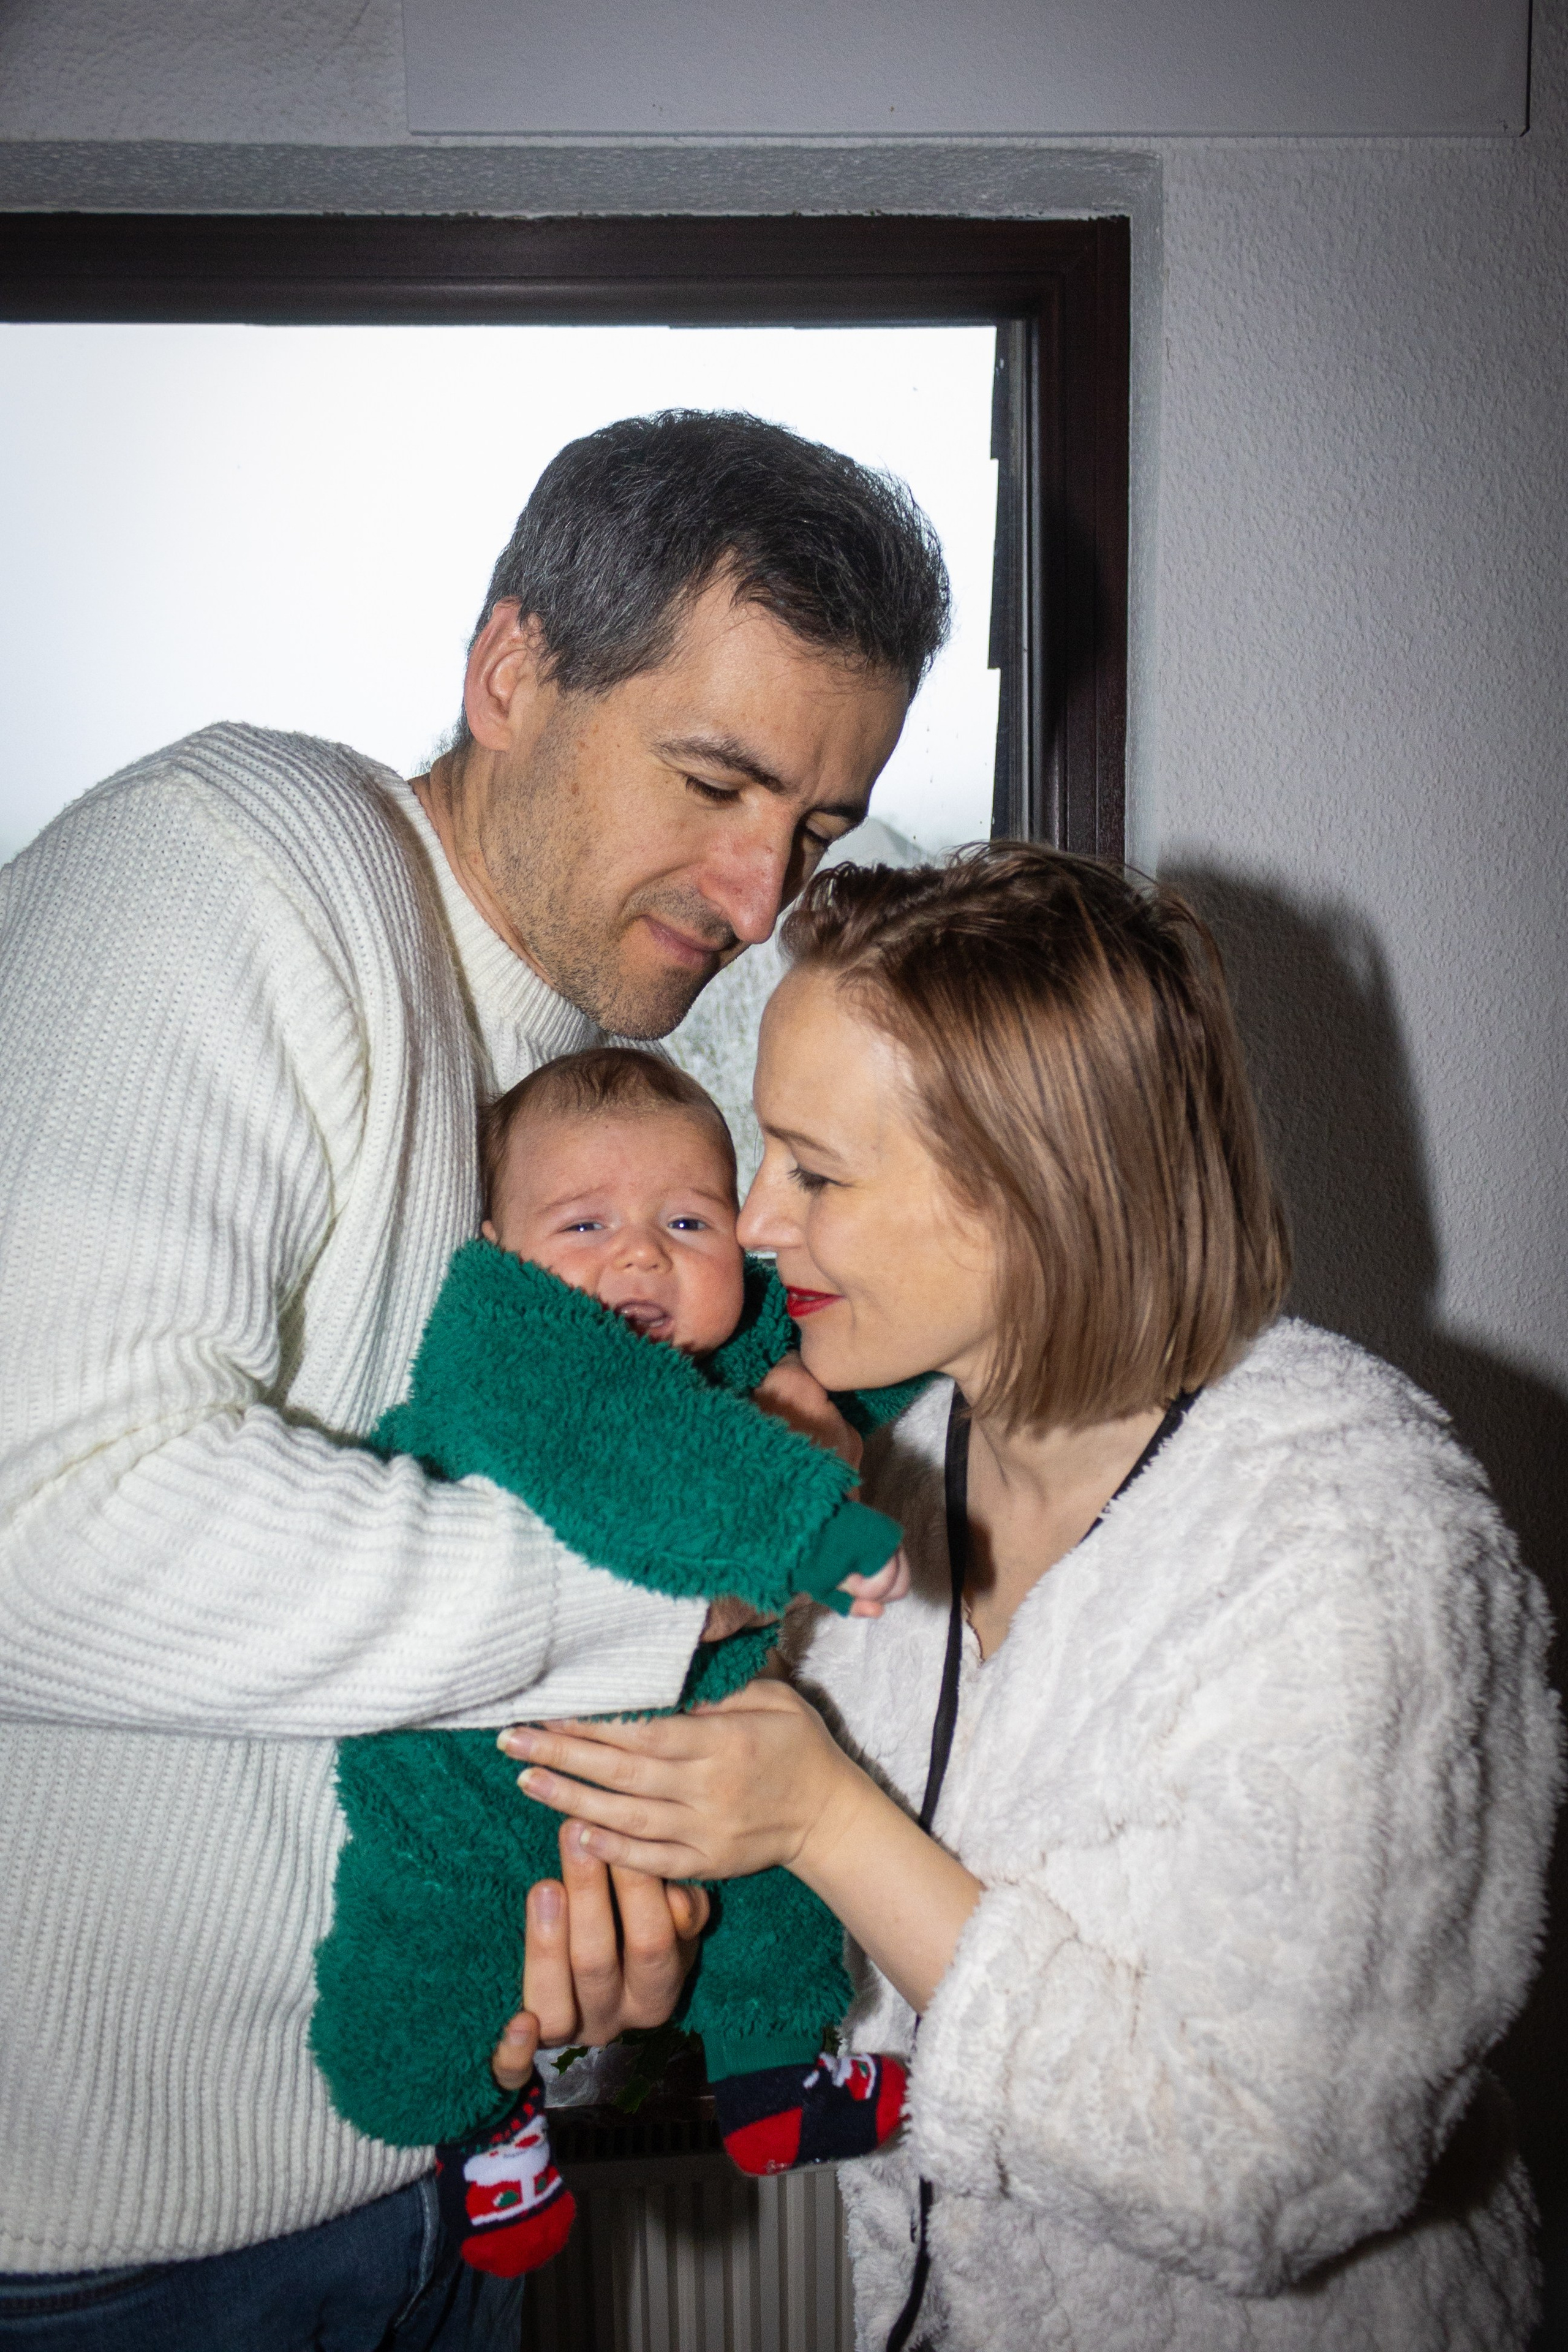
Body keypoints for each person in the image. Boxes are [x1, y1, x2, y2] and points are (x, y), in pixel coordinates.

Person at [0, 409, 950, 2350]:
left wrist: (600, 1924)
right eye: (715, 780)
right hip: (105, 2262)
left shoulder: (648, 1061)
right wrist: (681, 1591)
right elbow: (45, 1516)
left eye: (817, 833)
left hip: (438, 2176)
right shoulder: (236, 866)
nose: (760, 891)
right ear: (511, 670)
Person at [500, 843, 1562, 2351]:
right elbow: (833, 1966)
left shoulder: (1359, 1551)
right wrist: (648, 1956)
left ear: (1026, 1193)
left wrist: (822, 1821)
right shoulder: (900, 1469)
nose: (751, 1224)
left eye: (815, 1169)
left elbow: (1277, 2170)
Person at [311, 1045, 912, 2282]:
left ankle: (775, 2079)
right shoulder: (507, 1346)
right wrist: (814, 1525)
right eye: (582, 1222)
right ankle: (473, 2126)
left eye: (685, 1219)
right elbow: (647, 1463)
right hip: (470, 1775)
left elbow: (851, 1351)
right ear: (493, 1246)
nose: (640, 1255)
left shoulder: (718, 1342)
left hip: (674, 1756)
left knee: (776, 1891)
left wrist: (910, 1347)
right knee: (432, 1957)